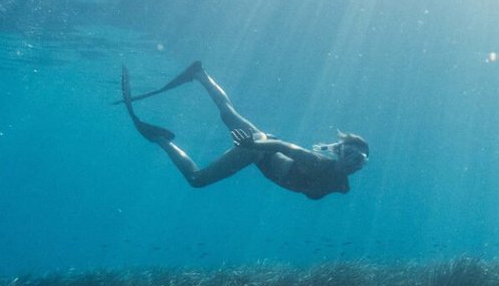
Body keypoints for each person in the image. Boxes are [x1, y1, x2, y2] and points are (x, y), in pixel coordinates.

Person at [122, 61, 368, 200]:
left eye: (360, 161)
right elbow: (284, 147)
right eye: (351, 155)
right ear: (339, 152)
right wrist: (253, 146)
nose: (353, 164)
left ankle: (199, 74)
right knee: (197, 180)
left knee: (229, 115)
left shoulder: (342, 185)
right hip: (259, 151)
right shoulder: (318, 163)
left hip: (263, 147)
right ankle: (161, 139)